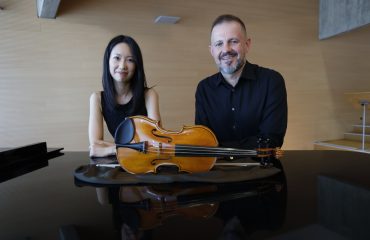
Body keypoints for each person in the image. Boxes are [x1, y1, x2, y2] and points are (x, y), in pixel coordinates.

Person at [195, 14, 287, 149]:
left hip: (263, 169)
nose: (226, 49)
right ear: (212, 51)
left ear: (247, 45)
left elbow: (271, 139)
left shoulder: (272, 81)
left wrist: (222, 149)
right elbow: (203, 141)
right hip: (217, 169)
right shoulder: (204, 88)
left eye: (233, 41)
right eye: (219, 43)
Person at [89, 35, 161, 157]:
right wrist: (134, 147)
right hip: (119, 163)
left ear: (137, 65)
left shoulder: (149, 95)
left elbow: (157, 142)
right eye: (117, 58)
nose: (122, 66)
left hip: (146, 162)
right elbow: (95, 145)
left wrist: (109, 149)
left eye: (130, 60)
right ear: (108, 61)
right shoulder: (97, 98)